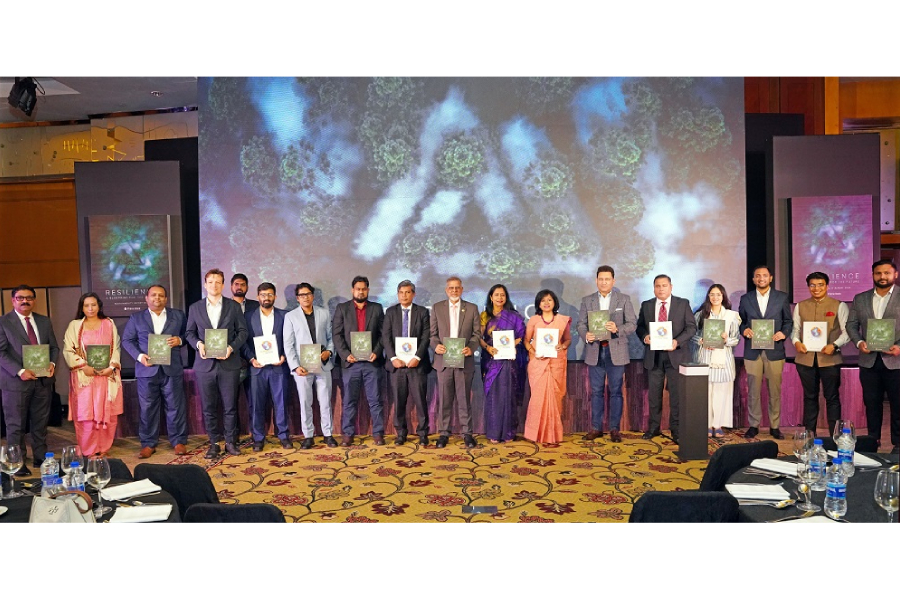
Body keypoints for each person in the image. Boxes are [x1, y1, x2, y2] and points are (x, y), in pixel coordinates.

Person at [186, 268, 249, 459]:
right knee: (208, 407)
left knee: (230, 406)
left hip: (229, 363)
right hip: (205, 365)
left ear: (223, 285)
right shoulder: (195, 308)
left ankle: (230, 442)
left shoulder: (233, 306)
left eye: (218, 282)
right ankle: (213, 443)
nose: (214, 285)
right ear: (205, 285)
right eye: (210, 282)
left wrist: (231, 347)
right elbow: (189, 333)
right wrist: (199, 345)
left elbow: (243, 332)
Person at [121, 284, 188, 458]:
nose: (157, 298)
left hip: (171, 368)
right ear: (147, 298)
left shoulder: (178, 316)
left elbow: (189, 335)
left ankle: (178, 441)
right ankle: (148, 444)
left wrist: (180, 340)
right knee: (147, 407)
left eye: (161, 295)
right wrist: (140, 356)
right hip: (147, 369)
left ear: (166, 299)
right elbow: (127, 340)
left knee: (175, 406)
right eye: (153, 295)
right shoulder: (136, 318)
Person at [0, 285, 60, 475]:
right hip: (16, 383)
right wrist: (20, 371)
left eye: (29, 298)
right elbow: (1, 352)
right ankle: (17, 462)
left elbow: (54, 347)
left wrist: (52, 363)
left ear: (34, 300)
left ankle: (41, 458)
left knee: (40, 424)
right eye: (20, 298)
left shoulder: (44, 321)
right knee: (15, 425)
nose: (25, 301)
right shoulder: (3, 322)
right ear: (13, 300)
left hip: (42, 382)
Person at [576, 265, 636, 443]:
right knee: (596, 392)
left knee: (616, 391)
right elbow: (580, 324)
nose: (604, 282)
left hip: (616, 350)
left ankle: (614, 429)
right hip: (595, 350)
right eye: (601, 279)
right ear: (596, 281)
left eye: (607, 279)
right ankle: (596, 428)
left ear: (613, 281)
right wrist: (585, 335)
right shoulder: (587, 300)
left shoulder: (623, 299)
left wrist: (617, 329)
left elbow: (632, 324)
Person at [62, 292, 124, 456]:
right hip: (85, 378)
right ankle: (88, 450)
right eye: (86, 305)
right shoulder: (75, 325)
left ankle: (103, 448)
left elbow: (116, 348)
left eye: (93, 305)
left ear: (99, 306)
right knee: (86, 415)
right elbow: (68, 350)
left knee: (107, 414)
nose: (90, 308)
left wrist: (111, 367)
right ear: (82, 308)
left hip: (106, 377)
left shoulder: (108, 323)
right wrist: (83, 366)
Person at [636, 274, 696, 444]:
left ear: (671, 287)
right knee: (654, 396)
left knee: (676, 396)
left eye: (664, 285)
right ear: (654, 288)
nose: (661, 289)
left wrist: (677, 342)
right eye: (657, 286)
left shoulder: (682, 304)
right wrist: (645, 336)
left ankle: (676, 429)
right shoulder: (647, 305)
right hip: (654, 356)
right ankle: (654, 428)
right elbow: (640, 327)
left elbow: (691, 328)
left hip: (676, 355)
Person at [847, 259, 900, 453]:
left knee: (898, 404)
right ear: (873, 275)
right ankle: (872, 441)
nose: (882, 276)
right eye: (878, 273)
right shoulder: (860, 298)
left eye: (887, 273)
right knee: (871, 404)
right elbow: (851, 325)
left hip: (896, 361)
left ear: (895, 275)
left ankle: (898, 444)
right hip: (869, 361)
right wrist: (859, 343)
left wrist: (899, 347)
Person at [792, 272, 849, 437]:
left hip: (830, 359)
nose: (816, 288)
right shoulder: (800, 306)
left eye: (820, 285)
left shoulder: (839, 305)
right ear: (808, 287)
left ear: (827, 286)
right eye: (812, 285)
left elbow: (847, 332)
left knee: (832, 397)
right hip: (805, 359)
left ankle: (835, 436)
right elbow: (795, 329)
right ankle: (809, 435)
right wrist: (796, 342)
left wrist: (835, 345)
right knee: (809, 397)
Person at [738, 265, 792, 440]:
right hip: (752, 351)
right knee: (753, 391)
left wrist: (783, 333)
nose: (761, 278)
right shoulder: (746, 299)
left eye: (764, 275)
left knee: (774, 391)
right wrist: (744, 330)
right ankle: (754, 425)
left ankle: (774, 426)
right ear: (753, 279)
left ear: (771, 278)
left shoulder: (781, 297)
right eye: (758, 276)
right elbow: (741, 322)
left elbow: (788, 321)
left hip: (775, 351)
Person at [332, 276, 385, 447]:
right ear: (352, 290)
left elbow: (383, 334)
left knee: (375, 400)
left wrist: (377, 351)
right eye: (358, 289)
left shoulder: (377, 308)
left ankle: (378, 433)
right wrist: (345, 354)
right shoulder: (342, 309)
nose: (360, 292)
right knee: (349, 401)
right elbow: (337, 335)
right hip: (351, 363)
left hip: (371, 362)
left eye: (363, 289)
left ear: (367, 290)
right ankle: (348, 434)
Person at [284, 283, 338, 449]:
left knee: (325, 401)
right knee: (305, 402)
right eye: (302, 295)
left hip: (322, 363)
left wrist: (329, 352)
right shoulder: (291, 316)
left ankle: (328, 434)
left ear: (313, 296)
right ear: (297, 298)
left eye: (308, 294)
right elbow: (288, 344)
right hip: (303, 367)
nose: (305, 297)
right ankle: (308, 435)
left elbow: (331, 337)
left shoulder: (324, 313)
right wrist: (295, 366)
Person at [430, 276, 481, 449]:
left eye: (457, 287)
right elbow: (432, 334)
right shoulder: (437, 308)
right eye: (451, 288)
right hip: (443, 361)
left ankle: (467, 433)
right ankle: (444, 433)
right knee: (444, 399)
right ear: (446, 290)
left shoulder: (472, 308)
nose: (454, 290)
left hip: (463, 361)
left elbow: (476, 334)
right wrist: (436, 346)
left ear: (462, 289)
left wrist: (471, 348)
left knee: (464, 399)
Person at [242, 283, 292, 452]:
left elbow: (290, 339)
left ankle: (283, 436)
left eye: (270, 294)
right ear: (258, 297)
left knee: (281, 403)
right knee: (256, 404)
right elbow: (243, 341)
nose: (266, 298)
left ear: (275, 297)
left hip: (279, 367)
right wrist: (251, 359)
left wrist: (284, 355)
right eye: (263, 295)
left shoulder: (284, 316)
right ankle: (258, 438)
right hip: (257, 368)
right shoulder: (248, 316)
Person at [383, 280, 432, 446]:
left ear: (413, 294)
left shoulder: (422, 312)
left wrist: (417, 357)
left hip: (417, 365)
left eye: (408, 292)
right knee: (399, 401)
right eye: (401, 292)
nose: (404, 295)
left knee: (420, 401)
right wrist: (393, 358)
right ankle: (401, 433)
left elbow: (426, 336)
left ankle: (423, 433)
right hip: (397, 366)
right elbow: (386, 337)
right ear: (398, 294)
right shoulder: (390, 312)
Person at [691, 284, 741, 438]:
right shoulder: (700, 315)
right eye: (712, 294)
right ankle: (706, 424)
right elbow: (692, 335)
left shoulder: (732, 316)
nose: (715, 297)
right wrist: (701, 340)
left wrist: (726, 340)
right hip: (705, 358)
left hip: (723, 361)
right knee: (706, 393)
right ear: (708, 296)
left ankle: (718, 424)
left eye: (718, 294)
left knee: (721, 393)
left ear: (723, 296)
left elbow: (736, 339)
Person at [523, 289, 571, 443]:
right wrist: (533, 351)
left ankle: (553, 434)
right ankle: (535, 434)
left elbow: (567, 340)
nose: (546, 303)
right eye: (543, 300)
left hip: (556, 364)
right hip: (538, 365)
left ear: (554, 302)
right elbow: (526, 341)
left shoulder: (562, 320)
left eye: (549, 300)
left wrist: (562, 346)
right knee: (537, 400)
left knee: (555, 400)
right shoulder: (534, 320)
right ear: (538, 304)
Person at [480, 284, 526, 443]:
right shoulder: (484, 316)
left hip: (509, 363)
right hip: (491, 361)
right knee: (494, 397)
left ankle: (508, 433)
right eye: (496, 295)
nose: (500, 298)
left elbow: (521, 336)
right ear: (491, 297)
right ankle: (494, 433)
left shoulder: (514, 316)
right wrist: (488, 348)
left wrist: (511, 345)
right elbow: (479, 337)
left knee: (508, 396)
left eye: (503, 295)